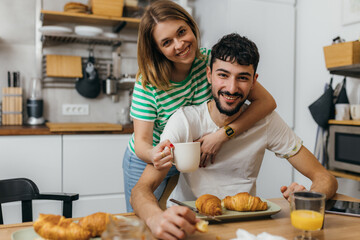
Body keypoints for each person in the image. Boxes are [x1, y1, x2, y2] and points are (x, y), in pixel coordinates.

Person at [130, 33, 338, 239]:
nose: (231, 88)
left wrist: (306, 198)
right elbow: (141, 189)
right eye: (223, 75)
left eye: (242, 78)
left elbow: (324, 177)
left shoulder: (266, 122)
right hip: (192, 227)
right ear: (209, 74)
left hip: (245, 229)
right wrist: (156, 218)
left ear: (254, 81)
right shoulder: (185, 121)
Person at [122, 0, 277, 212]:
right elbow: (141, 142)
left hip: (188, 156)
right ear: (157, 49)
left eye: (182, 32)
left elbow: (267, 102)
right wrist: (154, 155)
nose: (179, 44)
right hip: (151, 160)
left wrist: (223, 134)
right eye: (166, 42)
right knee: (143, 216)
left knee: (174, 213)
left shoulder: (208, 61)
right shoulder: (148, 82)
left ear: (190, 25)